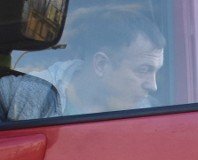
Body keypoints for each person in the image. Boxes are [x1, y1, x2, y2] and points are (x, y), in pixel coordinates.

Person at [0, 8, 164, 121]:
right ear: (101, 65)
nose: (153, 86)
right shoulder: (18, 95)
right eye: (143, 70)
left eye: (156, 71)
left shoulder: (149, 112)